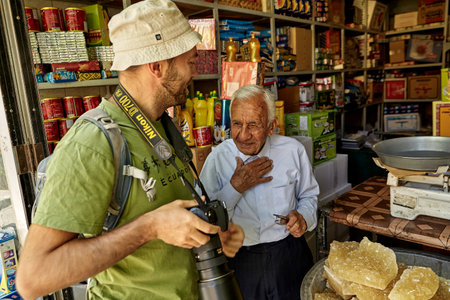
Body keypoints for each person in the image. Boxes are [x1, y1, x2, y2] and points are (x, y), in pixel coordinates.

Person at [16, 1, 244, 299]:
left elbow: (171, 221)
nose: (193, 72)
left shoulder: (163, 124)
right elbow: (33, 278)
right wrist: (149, 228)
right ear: (158, 67)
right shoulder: (92, 143)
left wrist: (210, 234)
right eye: (190, 61)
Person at [200, 84, 320, 300]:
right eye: (237, 124)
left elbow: (309, 197)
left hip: (289, 254)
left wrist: (303, 218)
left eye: (253, 125)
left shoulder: (293, 150)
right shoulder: (218, 159)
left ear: (271, 126)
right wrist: (235, 187)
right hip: (240, 260)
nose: (243, 135)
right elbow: (204, 218)